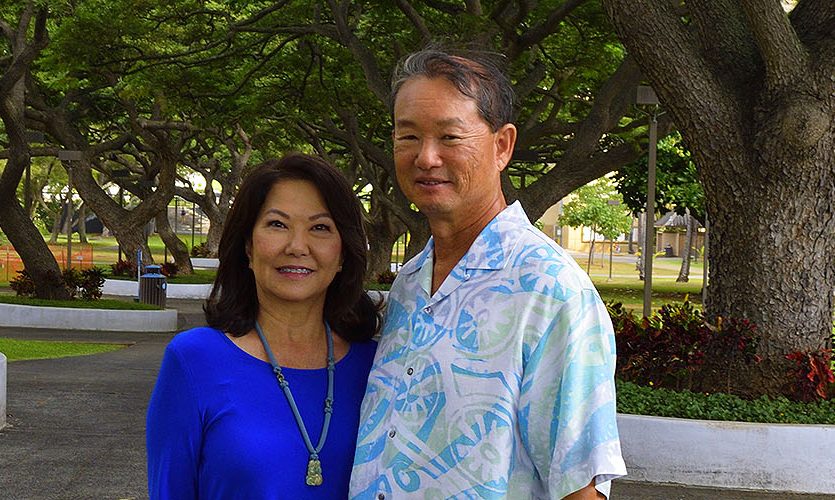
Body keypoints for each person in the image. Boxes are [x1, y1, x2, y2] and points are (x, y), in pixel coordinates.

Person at [350, 50, 625, 500]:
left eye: (450, 137)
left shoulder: (550, 291)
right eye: (408, 136)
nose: (426, 157)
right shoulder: (410, 283)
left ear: (502, 146)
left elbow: (579, 488)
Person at [147, 153, 380, 499]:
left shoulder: (378, 365)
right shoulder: (194, 361)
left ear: (344, 253)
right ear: (248, 246)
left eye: (320, 228)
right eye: (277, 224)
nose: (297, 247)